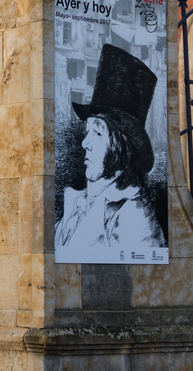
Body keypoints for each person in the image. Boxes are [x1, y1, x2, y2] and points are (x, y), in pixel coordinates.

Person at [55, 44, 167, 250]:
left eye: (97, 132)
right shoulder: (77, 200)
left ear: (121, 145)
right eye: (87, 132)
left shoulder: (135, 216)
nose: (85, 143)